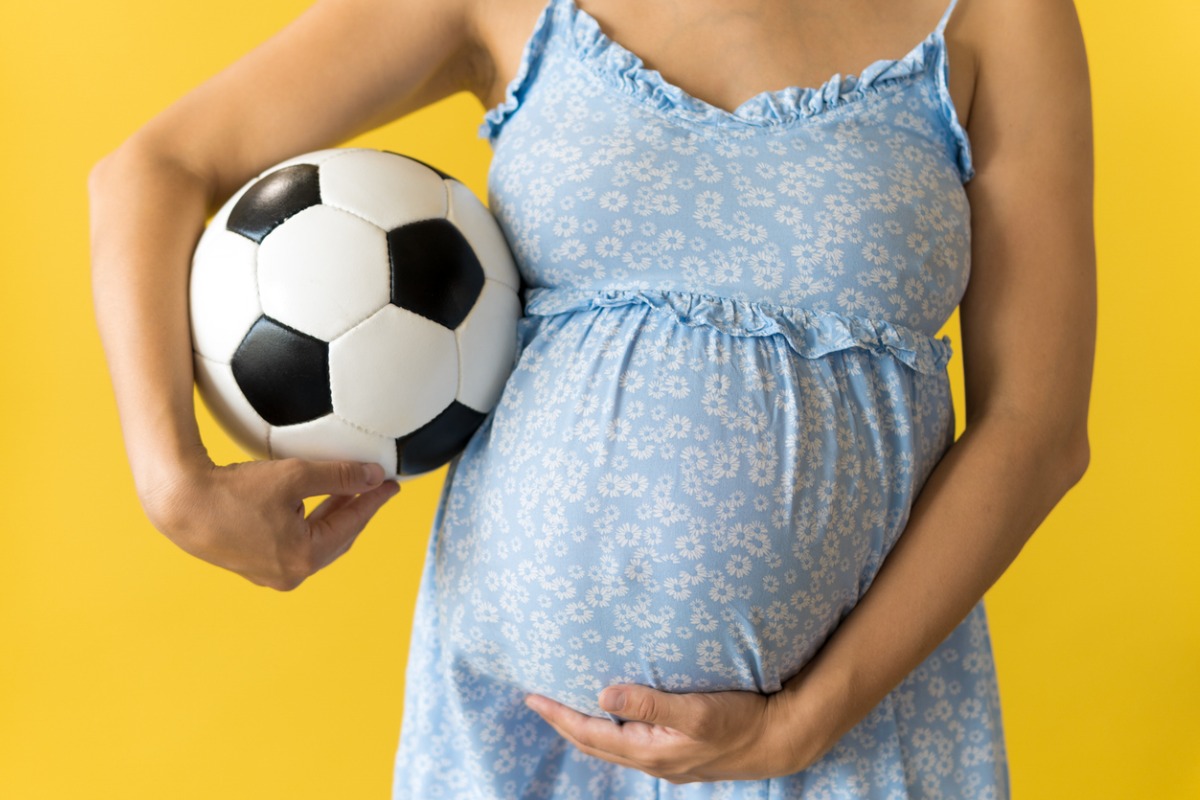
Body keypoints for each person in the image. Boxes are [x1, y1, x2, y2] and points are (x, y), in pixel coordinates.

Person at [88, 0, 1095, 796]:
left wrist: (806, 718)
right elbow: (152, 169)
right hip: (514, 749)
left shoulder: (999, 15)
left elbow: (1036, 427)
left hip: (853, 741)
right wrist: (174, 480)